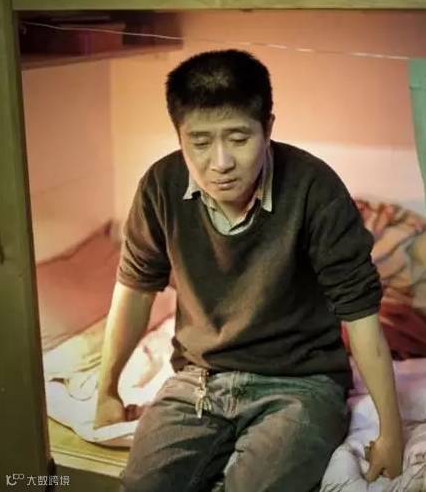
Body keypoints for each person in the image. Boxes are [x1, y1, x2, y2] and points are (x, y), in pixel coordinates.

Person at [94, 49, 403, 492]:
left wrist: (391, 432)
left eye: (239, 138)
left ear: (268, 128)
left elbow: (360, 313)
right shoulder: (160, 186)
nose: (220, 162)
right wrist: (107, 391)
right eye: (200, 142)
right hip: (199, 380)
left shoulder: (314, 188)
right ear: (179, 135)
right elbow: (134, 290)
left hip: (301, 384)